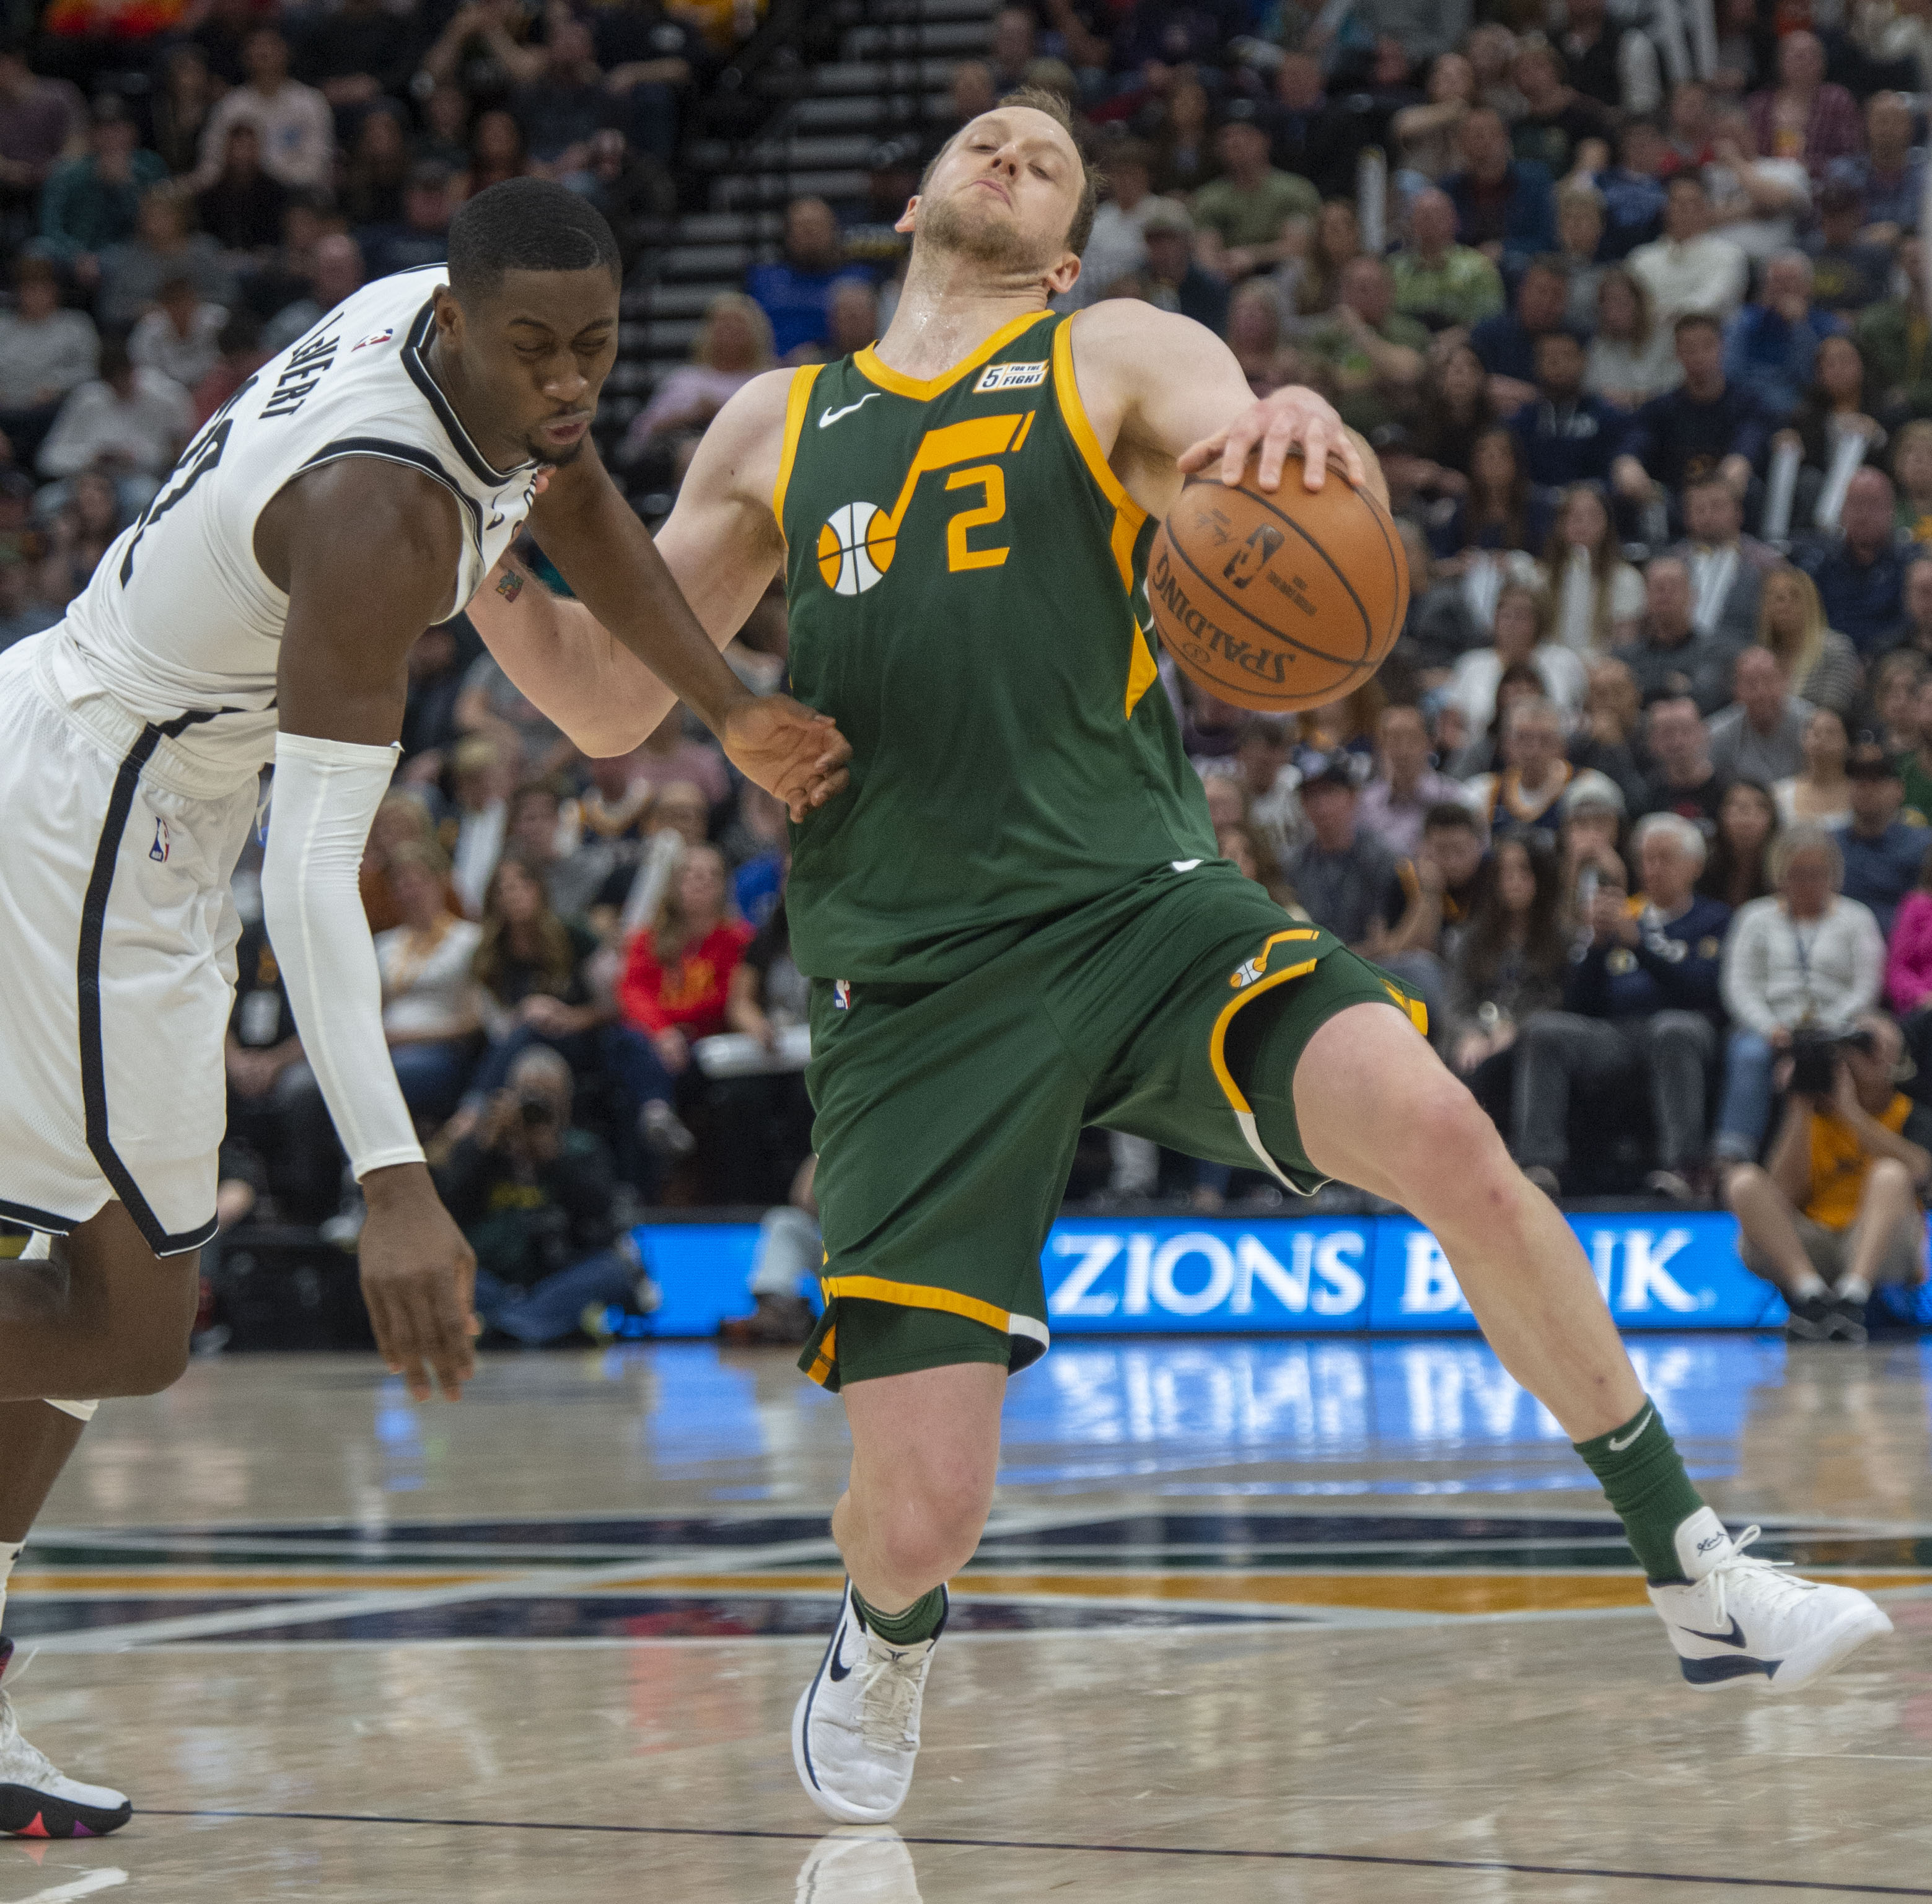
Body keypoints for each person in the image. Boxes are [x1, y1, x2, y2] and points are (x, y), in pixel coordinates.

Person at [468, 87, 1889, 1827]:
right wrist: (471, 554)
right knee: (918, 1513)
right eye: (983, 138)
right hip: (908, 983)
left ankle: (1694, 1571)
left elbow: (1236, 429)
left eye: (1047, 158)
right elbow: (611, 697)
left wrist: (1287, 412)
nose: (1009, 152)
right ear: (915, 200)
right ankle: (888, 1629)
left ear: (1059, 251)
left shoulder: (1114, 351)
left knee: (1447, 1136)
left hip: (1141, 908)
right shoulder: (779, 422)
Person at [0, 180, 848, 1838]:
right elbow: (322, 881)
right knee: (127, 1324)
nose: (564, 383)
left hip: (130, 810)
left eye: (592, 349)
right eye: (533, 348)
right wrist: (397, 1184)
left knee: (68, 1319)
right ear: (453, 325)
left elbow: (579, 488)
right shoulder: (376, 514)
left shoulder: (472, 341)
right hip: (89, 826)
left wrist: (727, 706)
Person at [1513, 812, 1729, 1201]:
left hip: (1686, 1033)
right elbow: (1579, 1005)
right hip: (1615, 1034)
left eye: (1665, 859)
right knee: (1544, 1029)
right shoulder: (1620, 914)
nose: (1652, 869)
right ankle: (1540, 1166)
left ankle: (1684, 1169)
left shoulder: (1713, 920)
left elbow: (1703, 992)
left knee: (1674, 1028)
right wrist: (1596, 947)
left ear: (1694, 867)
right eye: (1646, 859)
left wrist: (1639, 948)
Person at [1725, 1012, 1931, 1343]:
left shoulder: (1908, 1111)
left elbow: (1921, 1171)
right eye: (1856, 1046)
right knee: (1743, 1181)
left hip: (1877, 1245)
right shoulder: (1807, 1114)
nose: (1864, 1058)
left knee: (1891, 1174)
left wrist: (1852, 1113)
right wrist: (1799, 1106)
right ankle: (1811, 1297)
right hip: (1811, 1246)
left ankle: (1854, 1298)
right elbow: (1783, 1193)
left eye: (1872, 1047)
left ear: (1897, 1059)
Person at [438, 1045, 651, 1346]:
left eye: (548, 1098)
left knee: (613, 1269)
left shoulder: (584, 1149)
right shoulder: (483, 1144)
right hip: (490, 1276)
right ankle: (535, 1324)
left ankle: (507, 1326)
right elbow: (450, 1211)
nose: (536, 1106)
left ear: (566, 1101)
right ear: (509, 1094)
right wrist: (485, 1148)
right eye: (528, 1095)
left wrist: (555, 1158)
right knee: (443, 1269)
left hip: (559, 1279)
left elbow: (601, 1222)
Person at [1715, 825, 1887, 1164]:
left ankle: (1860, 1158)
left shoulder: (1857, 918)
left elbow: (1867, 985)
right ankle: (1731, 1158)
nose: (1808, 883)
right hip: (1770, 1026)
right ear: (1779, 874)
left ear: (1834, 875)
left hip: (1838, 1025)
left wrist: (1830, 1026)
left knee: (1866, 1050)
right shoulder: (1753, 917)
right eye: (1797, 874)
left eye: (1817, 874)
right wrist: (1768, 1026)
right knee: (1748, 1054)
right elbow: (1739, 986)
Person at [1444, 833, 1569, 1127]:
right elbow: (1454, 1004)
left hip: (1527, 1042)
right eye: (1505, 872)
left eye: (1523, 871)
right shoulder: (1471, 938)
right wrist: (1470, 1034)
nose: (1513, 881)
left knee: (1499, 1067)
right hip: (1477, 1037)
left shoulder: (1562, 938)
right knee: (1462, 1064)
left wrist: (1515, 1028)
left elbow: (1561, 1001)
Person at [1612, 315, 1769, 521]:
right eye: (1689, 348)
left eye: (1707, 346)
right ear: (1677, 353)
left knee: (1750, 485)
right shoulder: (1661, 408)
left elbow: (1750, 438)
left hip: (1732, 502)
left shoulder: (1747, 403)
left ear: (1722, 347)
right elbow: (1638, 439)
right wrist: (1627, 462)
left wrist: (1741, 460)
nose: (1699, 356)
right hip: (1677, 505)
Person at [375, 843, 482, 1122]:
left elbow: (474, 1022)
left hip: (442, 1050)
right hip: (385, 1047)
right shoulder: (384, 945)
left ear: (440, 883)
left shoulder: (470, 940)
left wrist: (404, 1038)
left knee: (385, 1079)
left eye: (417, 881)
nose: (409, 891)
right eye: (400, 883)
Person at [192, 26, 334, 193]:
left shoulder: (311, 102)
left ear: (286, 51)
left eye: (271, 45)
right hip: (243, 195)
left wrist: (269, 180)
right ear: (245, 56)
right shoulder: (231, 106)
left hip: (297, 195)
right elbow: (212, 162)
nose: (264, 52)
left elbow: (317, 164)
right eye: (256, 45)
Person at [0, 257, 99, 470]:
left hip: (54, 415)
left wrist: (58, 386)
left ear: (54, 290)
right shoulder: (4, 327)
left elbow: (90, 371)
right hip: (5, 415)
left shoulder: (76, 325)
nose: (35, 296)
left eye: (41, 288)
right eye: (29, 289)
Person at [1799, 468, 1908, 659]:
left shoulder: (1907, 566)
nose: (1863, 514)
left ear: (1891, 510)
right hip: (1831, 660)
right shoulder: (1821, 564)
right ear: (1842, 510)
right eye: (1855, 504)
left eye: (1873, 504)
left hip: (1890, 660)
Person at [747, 196, 872, 362]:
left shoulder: (858, 280)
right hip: (771, 370)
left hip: (836, 368)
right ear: (788, 234)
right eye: (802, 227)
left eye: (816, 226)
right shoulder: (763, 280)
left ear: (834, 231)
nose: (810, 233)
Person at [1724, 251, 1842, 423]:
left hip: (1801, 414)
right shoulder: (1744, 321)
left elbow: (1812, 380)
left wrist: (1798, 326)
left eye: (1791, 280)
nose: (1783, 288)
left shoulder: (1827, 325)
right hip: (1748, 410)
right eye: (1776, 281)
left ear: (1807, 286)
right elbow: (1731, 372)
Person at [1441, 108, 1556, 278]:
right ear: (1461, 143)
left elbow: (1547, 240)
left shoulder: (1535, 180)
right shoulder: (1448, 188)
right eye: (1477, 136)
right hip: (1464, 275)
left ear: (1505, 138)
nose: (1485, 141)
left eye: (1492, 134)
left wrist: (1504, 249)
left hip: (1520, 271)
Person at [1615, 558, 1737, 715]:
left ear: (1692, 595)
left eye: (1673, 587)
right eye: (1658, 588)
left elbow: (1715, 704)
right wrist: (1676, 686)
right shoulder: (1624, 661)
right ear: (1645, 597)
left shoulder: (1720, 654)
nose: (1665, 595)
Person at [1628, 175, 1748, 331]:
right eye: (1677, 202)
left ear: (1706, 208)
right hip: (1650, 345)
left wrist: (1668, 312)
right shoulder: (1641, 258)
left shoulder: (1729, 255)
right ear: (1666, 209)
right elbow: (1632, 308)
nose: (1685, 209)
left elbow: (1714, 300)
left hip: (1706, 345)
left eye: (1693, 203)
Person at [1833, 742, 1930, 937]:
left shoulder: (1924, 845)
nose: (1864, 786)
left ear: (1899, 790)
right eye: (1856, 778)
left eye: (1876, 778)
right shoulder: (1829, 845)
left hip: (1902, 947)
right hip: (1839, 949)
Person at [1672, 475, 1776, 650]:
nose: (1708, 516)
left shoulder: (1766, 563)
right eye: (1699, 509)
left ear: (1739, 512)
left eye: (1717, 507)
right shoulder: (1672, 563)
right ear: (1687, 517)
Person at [1746, 30, 1861, 182]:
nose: (1804, 62)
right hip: (1768, 185)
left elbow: (1851, 156)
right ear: (1781, 62)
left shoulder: (1837, 100)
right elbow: (1749, 154)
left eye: (1811, 55)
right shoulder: (1759, 104)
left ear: (1822, 62)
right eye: (1797, 56)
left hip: (1822, 187)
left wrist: (1809, 167)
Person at [1358, 702, 1469, 856]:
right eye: (1394, 738)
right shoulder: (1363, 805)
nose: (1402, 750)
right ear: (1380, 744)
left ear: (1430, 743)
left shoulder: (1455, 799)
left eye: (1412, 738)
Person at [1462, 694, 1577, 843]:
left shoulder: (1582, 789)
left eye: (1545, 740)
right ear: (1505, 744)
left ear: (1562, 746)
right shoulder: (1481, 793)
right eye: (1523, 738)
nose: (1534, 750)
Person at [1389, 186, 1504, 333]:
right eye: (1423, 216)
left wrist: (1459, 337)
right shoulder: (1393, 268)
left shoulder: (1479, 267)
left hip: (1458, 344)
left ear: (1454, 221)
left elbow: (1490, 321)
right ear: (1412, 223)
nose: (1430, 222)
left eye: (1437, 215)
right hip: (1401, 345)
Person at [1545, 483, 1643, 655]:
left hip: (1602, 668)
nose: (1582, 522)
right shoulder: (1542, 577)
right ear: (1560, 524)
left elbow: (1625, 646)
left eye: (1592, 515)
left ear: (1605, 524)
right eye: (1574, 516)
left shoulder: (1626, 579)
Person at [1757, 562, 1861, 721]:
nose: (1784, 605)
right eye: (1776, 597)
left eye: (1795, 596)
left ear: (1812, 602)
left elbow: (1832, 713)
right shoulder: (1759, 658)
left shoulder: (1836, 649)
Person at [1707, 646, 1814, 785]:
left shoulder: (1811, 722)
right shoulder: (1717, 735)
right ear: (1736, 690)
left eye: (1769, 681)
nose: (1761, 693)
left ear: (1785, 681)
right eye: (1751, 684)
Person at [1585, 267, 1679, 411]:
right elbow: (1594, 389)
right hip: (1615, 418)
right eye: (1608, 303)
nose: (1615, 310)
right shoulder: (1599, 345)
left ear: (1639, 303)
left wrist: (1636, 398)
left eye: (1622, 301)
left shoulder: (1666, 337)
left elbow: (1676, 387)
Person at [1640, 694, 1729, 833]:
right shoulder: (1645, 798)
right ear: (1652, 742)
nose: (1678, 742)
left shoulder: (1728, 792)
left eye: (1686, 731)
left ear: (1704, 733)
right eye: (1667, 734)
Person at [1700, 778, 1779, 910]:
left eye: (1759, 807)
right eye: (1739, 808)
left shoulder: (1782, 872)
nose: (1747, 820)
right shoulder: (1705, 866)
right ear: (1722, 815)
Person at [1775, 706, 1855, 830]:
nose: (1821, 738)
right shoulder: (1780, 795)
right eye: (1814, 731)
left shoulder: (1860, 795)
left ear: (1848, 743)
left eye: (1831, 732)